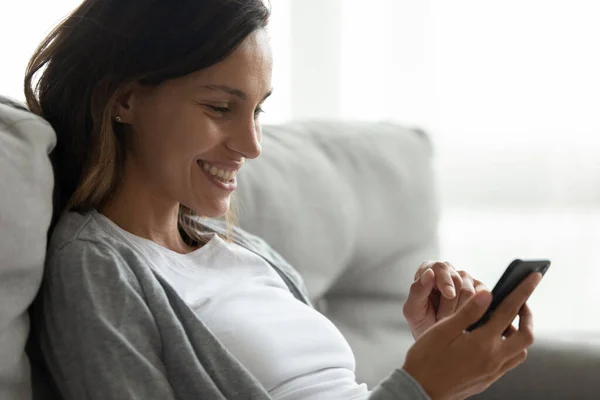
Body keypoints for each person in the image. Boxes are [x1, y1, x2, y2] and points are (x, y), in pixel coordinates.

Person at [25, 0, 540, 399]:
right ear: (125, 99)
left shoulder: (246, 251)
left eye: (257, 112)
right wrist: (421, 387)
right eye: (220, 107)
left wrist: (434, 347)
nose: (251, 146)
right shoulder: (93, 264)